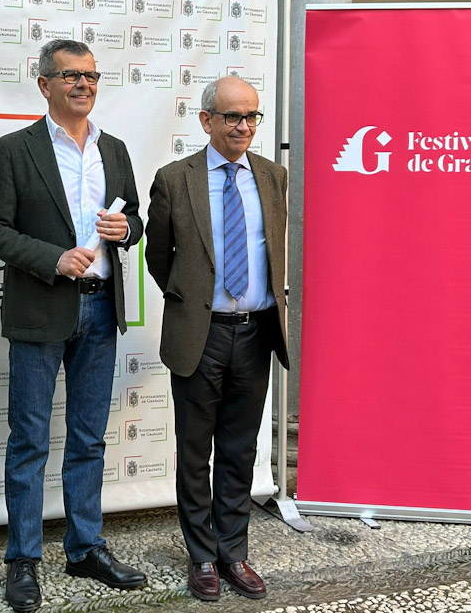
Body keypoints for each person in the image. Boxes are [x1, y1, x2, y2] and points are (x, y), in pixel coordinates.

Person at [0, 39, 147, 613]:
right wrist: (53, 258)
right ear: (44, 84)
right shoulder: (13, 149)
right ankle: (23, 559)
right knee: (29, 439)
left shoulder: (115, 149)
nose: (83, 84)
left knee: (88, 438)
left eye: (91, 75)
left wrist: (127, 230)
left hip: (101, 309)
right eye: (71, 75)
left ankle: (85, 548)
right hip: (41, 307)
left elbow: (135, 219)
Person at [144, 75, 288, 602]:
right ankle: (202, 555)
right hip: (199, 336)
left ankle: (234, 553)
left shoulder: (273, 177)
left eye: (251, 116)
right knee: (193, 451)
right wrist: (194, 303)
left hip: (255, 333)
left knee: (239, 449)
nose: (243, 126)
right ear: (206, 120)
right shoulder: (174, 179)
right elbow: (158, 257)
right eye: (232, 116)